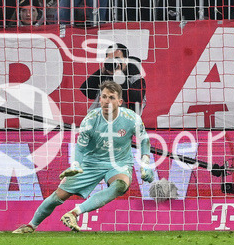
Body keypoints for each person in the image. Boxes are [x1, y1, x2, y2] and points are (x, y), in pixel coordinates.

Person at [13, 81, 155, 234]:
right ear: (99, 99)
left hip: (119, 162)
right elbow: (80, 147)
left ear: (119, 102)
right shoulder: (90, 120)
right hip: (91, 162)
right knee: (58, 197)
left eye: (112, 97)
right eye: (104, 97)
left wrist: (146, 162)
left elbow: (144, 140)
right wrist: (75, 165)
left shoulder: (131, 118)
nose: (107, 101)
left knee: (121, 185)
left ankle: (74, 213)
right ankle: (31, 225)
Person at [79, 43, 146, 114]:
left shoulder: (135, 78)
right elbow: (88, 93)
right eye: (110, 59)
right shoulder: (104, 75)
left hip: (126, 119)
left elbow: (136, 100)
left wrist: (120, 78)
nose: (114, 62)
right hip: (101, 119)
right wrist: (101, 72)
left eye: (117, 59)